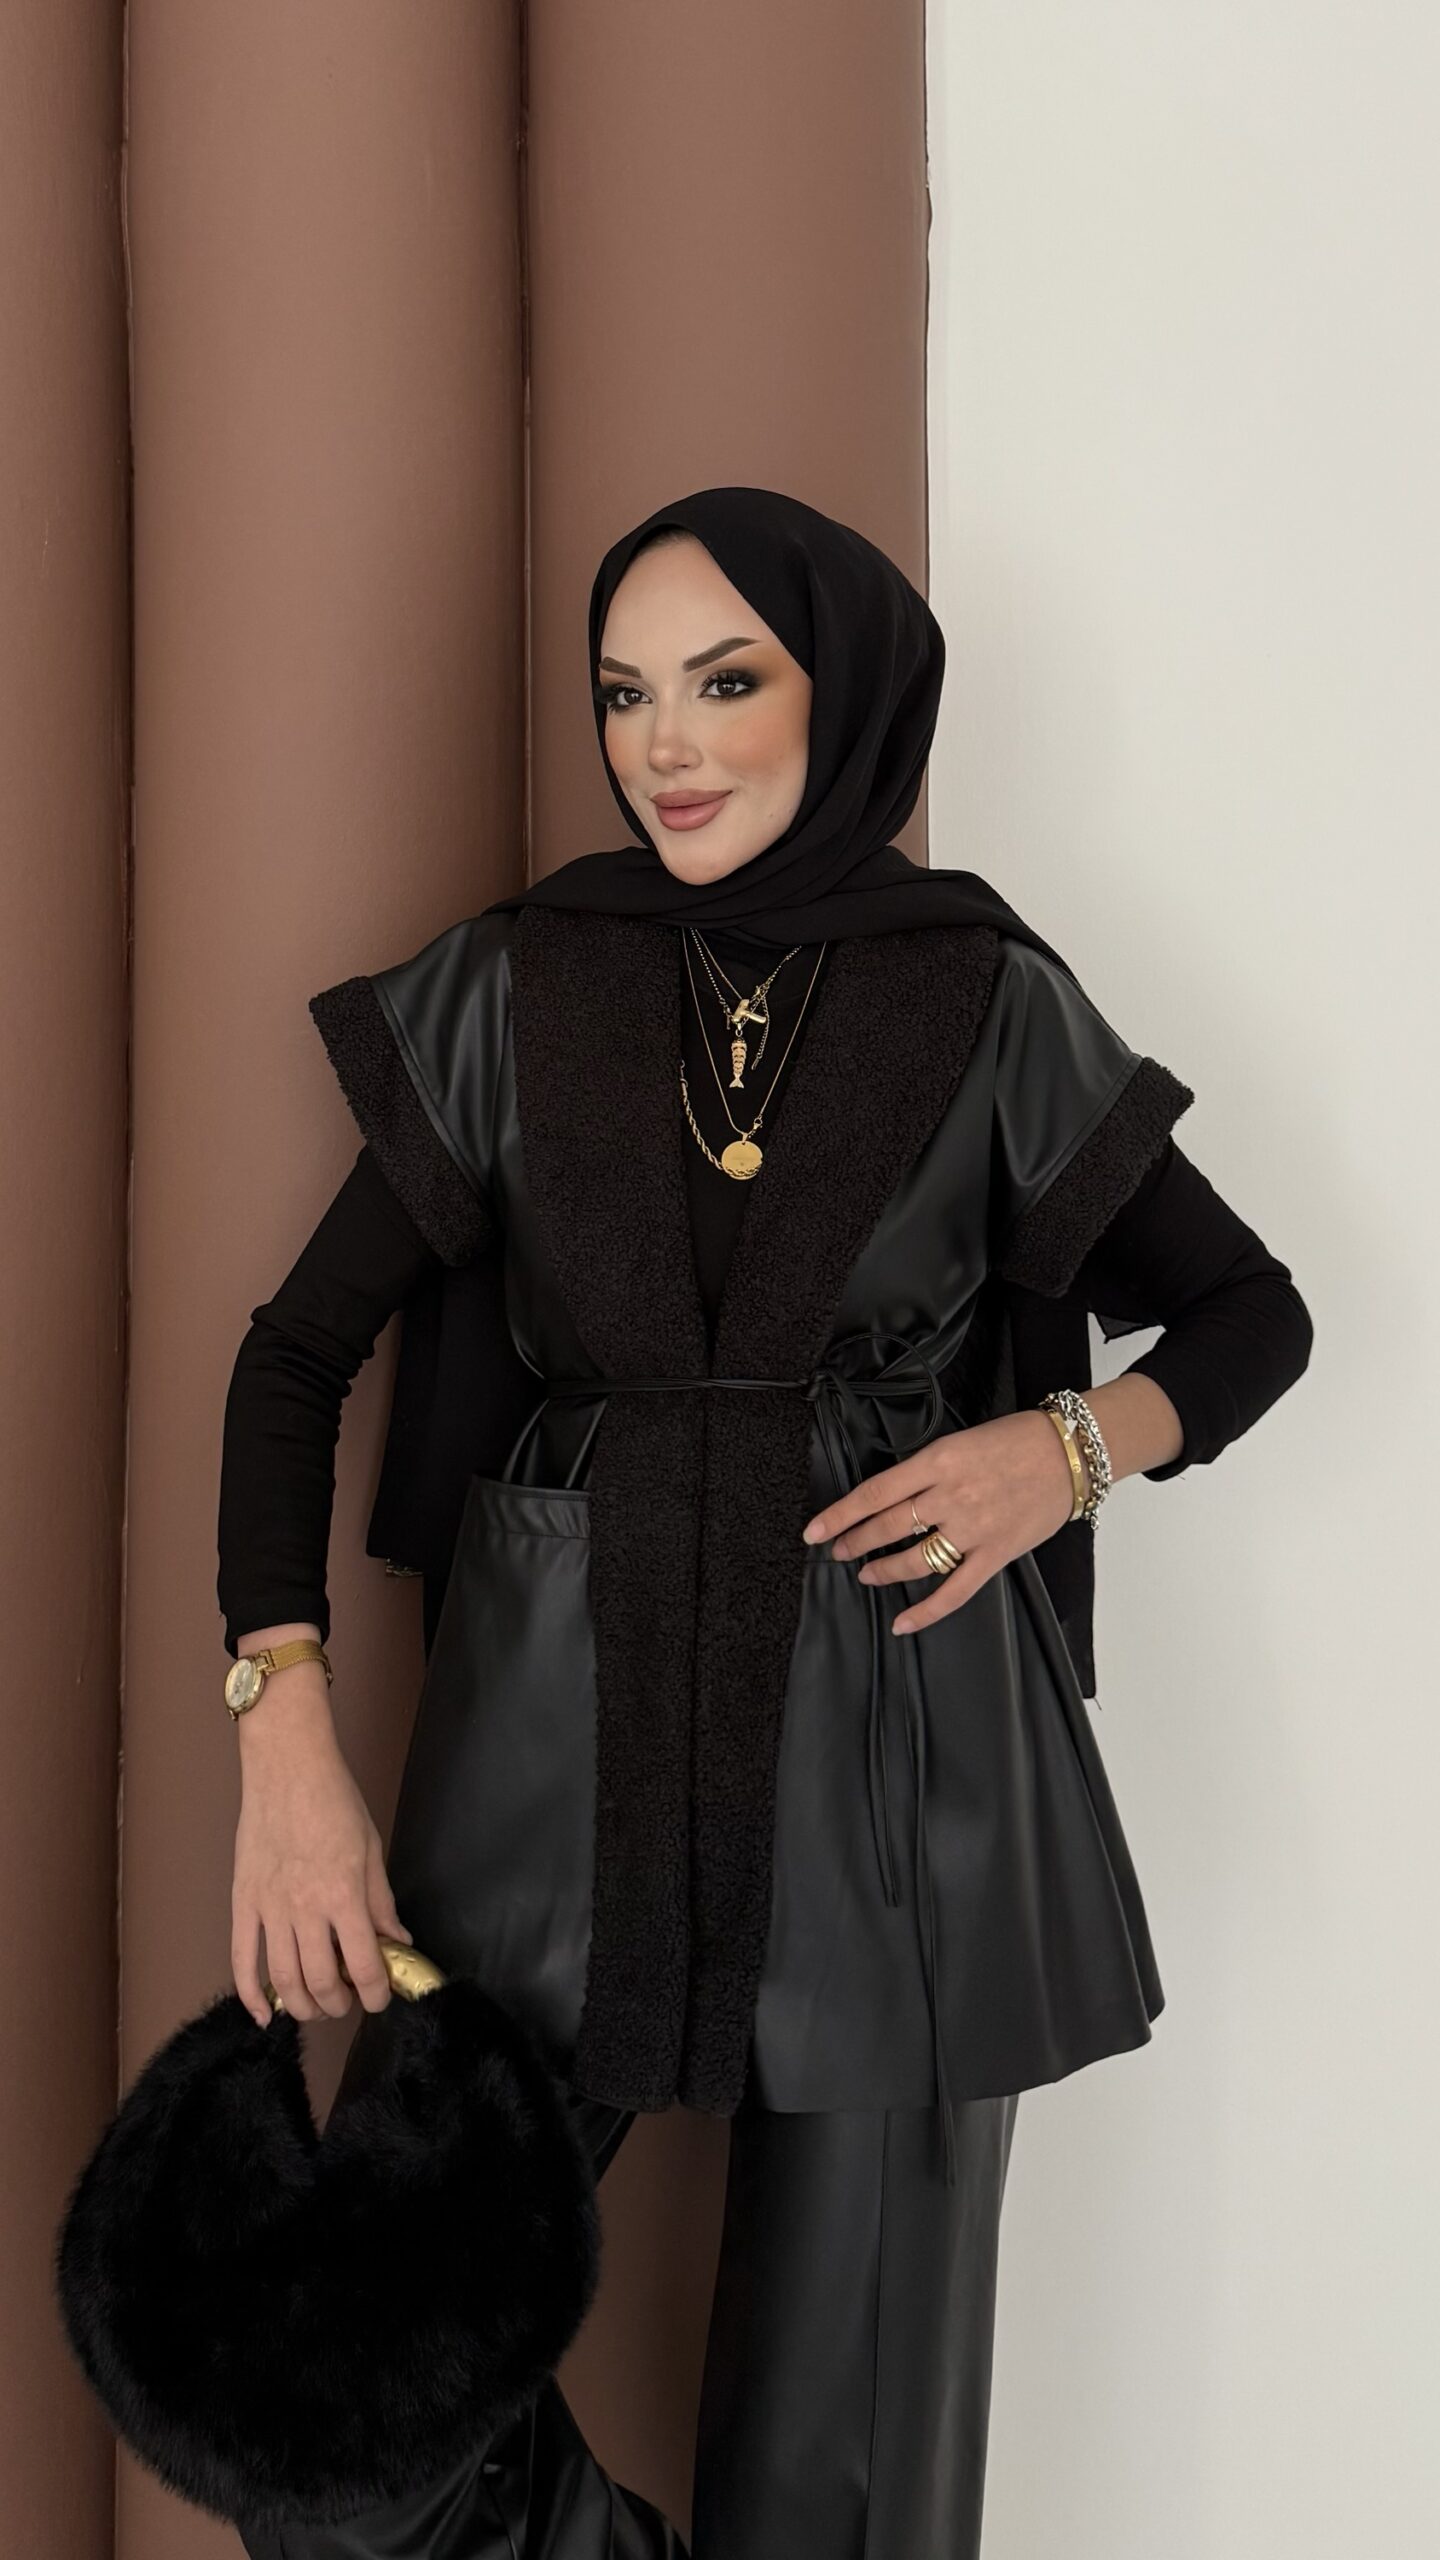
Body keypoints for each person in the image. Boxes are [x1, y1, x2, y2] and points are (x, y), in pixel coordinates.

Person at [216, 486, 1314, 2560]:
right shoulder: (518, 986)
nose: (667, 743)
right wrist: (285, 1740)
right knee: (341, 2420)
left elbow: (1254, 1312)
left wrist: (1067, 1449)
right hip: (549, 1772)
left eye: (727, 682)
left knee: (850, 2501)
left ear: (851, 697)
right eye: (626, 691)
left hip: (906, 1785)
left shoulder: (984, 997)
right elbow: (292, 1360)